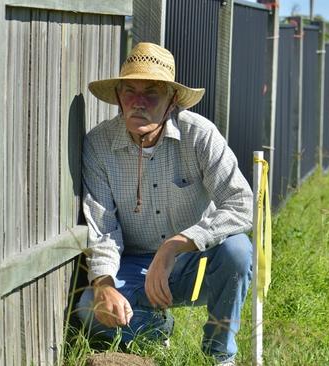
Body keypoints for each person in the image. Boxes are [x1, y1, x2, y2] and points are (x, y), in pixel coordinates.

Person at [76, 42, 253, 365]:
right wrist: (103, 283)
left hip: (193, 263)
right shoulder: (98, 144)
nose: (138, 103)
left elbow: (240, 203)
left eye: (152, 93)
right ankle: (156, 330)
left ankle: (218, 353)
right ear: (117, 97)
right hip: (133, 266)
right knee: (89, 309)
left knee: (238, 250)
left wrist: (177, 244)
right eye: (129, 91)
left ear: (172, 102)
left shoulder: (200, 135)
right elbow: (103, 226)